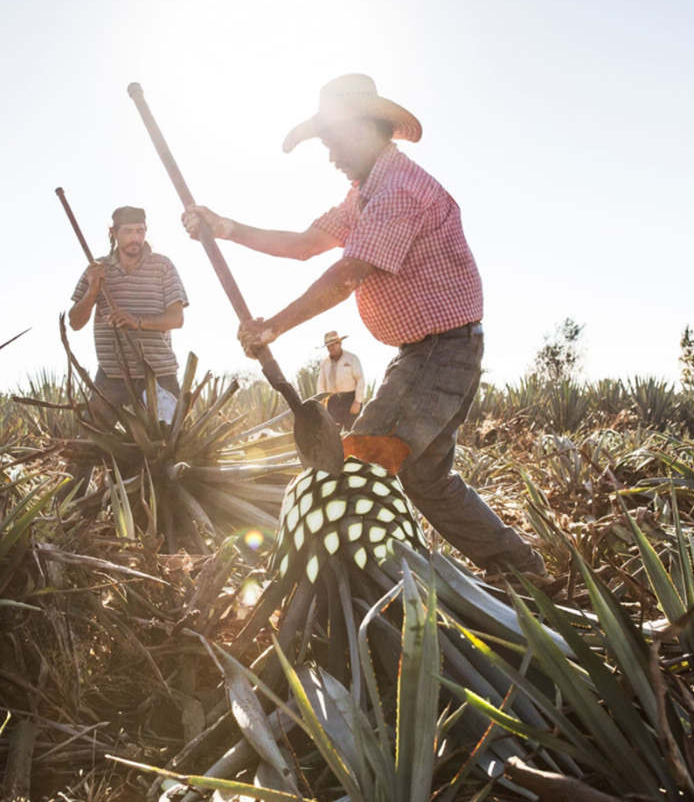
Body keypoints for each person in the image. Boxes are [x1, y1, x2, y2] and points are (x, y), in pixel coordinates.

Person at [181, 74, 546, 578]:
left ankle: (364, 585)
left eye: (333, 141)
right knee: (427, 480)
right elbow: (306, 243)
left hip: (439, 352)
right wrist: (226, 227)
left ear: (366, 128)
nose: (331, 155)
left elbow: (348, 273)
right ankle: (520, 569)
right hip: (429, 352)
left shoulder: (399, 190)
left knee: (362, 458)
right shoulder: (364, 194)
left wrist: (274, 327)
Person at [70, 206, 187, 422]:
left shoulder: (162, 266)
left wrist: (137, 322)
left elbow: (177, 319)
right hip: (111, 375)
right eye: (128, 232)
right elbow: (75, 322)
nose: (135, 238)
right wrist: (93, 288)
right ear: (114, 233)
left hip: (158, 374)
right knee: (88, 447)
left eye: (140, 231)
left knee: (170, 444)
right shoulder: (98, 269)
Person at [316, 330, 365, 431]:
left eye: (333, 345)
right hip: (333, 402)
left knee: (352, 433)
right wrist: (322, 403)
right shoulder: (325, 364)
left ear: (339, 343)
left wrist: (357, 401)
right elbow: (322, 384)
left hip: (350, 399)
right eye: (328, 346)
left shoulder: (352, 358)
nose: (331, 348)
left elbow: (360, 379)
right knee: (333, 433)